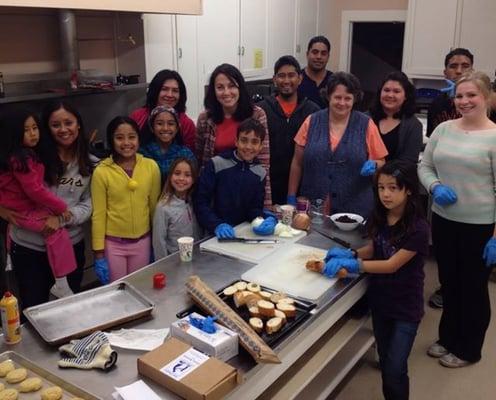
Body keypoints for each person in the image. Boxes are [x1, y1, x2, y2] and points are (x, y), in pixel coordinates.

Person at [321, 160, 429, 400]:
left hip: (405, 308)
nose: (386, 194)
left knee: (395, 369)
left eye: (393, 188)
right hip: (381, 303)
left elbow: (392, 264)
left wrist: (354, 265)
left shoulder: (418, 228)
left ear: (408, 189)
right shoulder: (380, 216)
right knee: (385, 355)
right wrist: (353, 253)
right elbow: (376, 247)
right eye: (381, 188)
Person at [419, 71, 496, 368]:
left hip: (480, 226)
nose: (464, 101)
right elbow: (425, 167)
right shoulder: (443, 130)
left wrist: (494, 237)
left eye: (471, 95)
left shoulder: (493, 137)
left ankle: (469, 348)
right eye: (460, 96)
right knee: (448, 282)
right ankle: (448, 338)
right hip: (444, 220)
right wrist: (435, 187)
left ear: (486, 97)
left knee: (473, 288)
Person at [7, 101, 94, 309]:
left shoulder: (90, 163)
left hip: (70, 246)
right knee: (33, 309)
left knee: (67, 309)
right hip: (29, 249)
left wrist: (62, 217)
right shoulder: (29, 158)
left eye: (69, 123)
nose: (63, 130)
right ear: (47, 128)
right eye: (56, 125)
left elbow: (90, 204)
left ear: (78, 124)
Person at [288, 72, 388, 218]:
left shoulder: (366, 125)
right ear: (328, 96)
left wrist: (374, 164)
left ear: (355, 100)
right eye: (337, 97)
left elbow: (382, 161)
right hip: (313, 208)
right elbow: (297, 162)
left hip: (355, 210)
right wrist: (291, 197)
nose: (342, 103)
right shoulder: (311, 121)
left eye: (348, 98)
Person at [0, 109, 77, 298]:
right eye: (27, 130)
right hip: (23, 221)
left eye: (35, 128)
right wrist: (61, 208)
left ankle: (61, 282)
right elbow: (34, 190)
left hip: (27, 211)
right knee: (56, 233)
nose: (33, 133)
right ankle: (61, 282)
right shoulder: (21, 159)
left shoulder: (28, 155)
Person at [91, 116, 161, 283]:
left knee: (140, 289)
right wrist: (99, 254)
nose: (126, 142)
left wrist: (155, 244)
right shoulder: (102, 171)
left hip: (143, 242)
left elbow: (154, 209)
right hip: (114, 245)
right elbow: (98, 215)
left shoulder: (151, 167)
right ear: (111, 140)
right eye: (119, 137)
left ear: (138, 138)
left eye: (131, 137)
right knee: (117, 293)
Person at [196, 63, 272, 206]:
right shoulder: (205, 119)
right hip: (216, 193)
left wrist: (266, 207)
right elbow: (200, 161)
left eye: (231, 86)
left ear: (240, 88)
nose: (226, 92)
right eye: (220, 87)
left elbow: (264, 162)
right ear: (213, 91)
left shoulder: (257, 114)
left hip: (247, 191)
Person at [194, 118, 275, 239]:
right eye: (244, 140)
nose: (248, 146)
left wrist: (265, 218)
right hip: (213, 233)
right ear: (236, 141)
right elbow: (200, 202)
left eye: (254, 142)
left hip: (242, 233)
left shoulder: (260, 173)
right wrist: (216, 224)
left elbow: (254, 209)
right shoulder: (216, 164)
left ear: (261, 146)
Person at [258, 55, 320, 205]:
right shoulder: (261, 110)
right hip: (268, 187)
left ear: (300, 79)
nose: (286, 81)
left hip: (304, 189)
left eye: (291, 75)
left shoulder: (313, 112)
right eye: (281, 76)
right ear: (274, 79)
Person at [130, 69, 196, 151]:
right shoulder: (138, 117)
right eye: (164, 89)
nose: (170, 95)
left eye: (175, 91)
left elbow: (190, 156)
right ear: (155, 90)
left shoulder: (186, 124)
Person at [370, 71, 423, 164]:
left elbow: (408, 162)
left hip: (393, 177)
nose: (390, 95)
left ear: (406, 96)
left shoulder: (414, 126)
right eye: (386, 90)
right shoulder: (364, 118)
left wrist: (383, 171)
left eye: (396, 91)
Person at [152, 157, 201, 259]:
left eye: (187, 175)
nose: (181, 178)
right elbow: (159, 241)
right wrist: (163, 266)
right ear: (170, 176)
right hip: (174, 261)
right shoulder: (163, 207)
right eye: (177, 173)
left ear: (193, 179)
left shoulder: (196, 201)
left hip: (196, 257)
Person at [139, 105, 196, 183]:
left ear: (177, 128)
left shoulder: (186, 154)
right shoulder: (142, 153)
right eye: (159, 123)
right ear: (152, 127)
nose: (165, 128)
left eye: (171, 124)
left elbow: (193, 182)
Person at [427, 48, 474, 137]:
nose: (459, 71)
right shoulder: (436, 104)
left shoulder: (484, 101)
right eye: (453, 66)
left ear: (472, 71)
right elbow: (433, 139)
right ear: (445, 73)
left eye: (465, 66)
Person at [298, 36, 333, 109]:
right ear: (307, 54)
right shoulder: (296, 79)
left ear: (328, 56)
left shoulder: (334, 81)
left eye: (323, 53)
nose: (319, 57)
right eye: (315, 52)